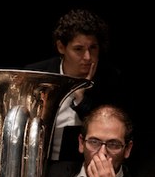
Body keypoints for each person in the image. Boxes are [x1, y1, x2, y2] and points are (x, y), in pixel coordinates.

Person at [26, 9, 126, 161]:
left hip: (83, 166)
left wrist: (81, 99)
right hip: (37, 163)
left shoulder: (110, 79)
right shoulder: (36, 75)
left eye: (93, 48)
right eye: (78, 49)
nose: (87, 57)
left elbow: (108, 132)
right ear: (61, 47)